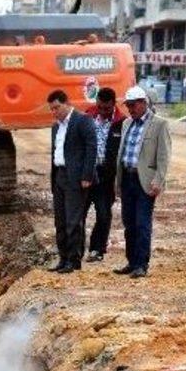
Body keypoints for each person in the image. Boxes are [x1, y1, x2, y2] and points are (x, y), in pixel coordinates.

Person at [115, 85, 171, 279]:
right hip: (128, 179)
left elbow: (164, 157)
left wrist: (159, 180)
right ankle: (131, 262)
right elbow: (122, 153)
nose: (129, 109)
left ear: (143, 103)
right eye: (127, 105)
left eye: (132, 105)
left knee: (142, 223)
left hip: (145, 182)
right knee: (129, 223)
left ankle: (141, 264)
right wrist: (118, 182)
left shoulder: (159, 124)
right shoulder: (126, 124)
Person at [48, 89, 97, 274]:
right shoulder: (56, 127)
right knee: (60, 220)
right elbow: (55, 152)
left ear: (67, 103)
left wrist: (87, 176)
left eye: (57, 108)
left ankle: (73, 259)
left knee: (73, 220)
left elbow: (91, 148)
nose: (54, 112)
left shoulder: (82, 121)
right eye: (51, 109)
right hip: (59, 176)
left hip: (76, 178)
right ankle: (63, 258)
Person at [83, 87, 126, 263]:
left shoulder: (122, 122)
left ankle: (97, 249)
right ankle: (75, 249)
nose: (102, 111)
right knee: (78, 214)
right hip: (86, 173)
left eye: (106, 108)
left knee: (103, 214)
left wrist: (118, 180)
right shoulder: (87, 117)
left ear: (113, 105)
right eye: (99, 107)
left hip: (106, 177)